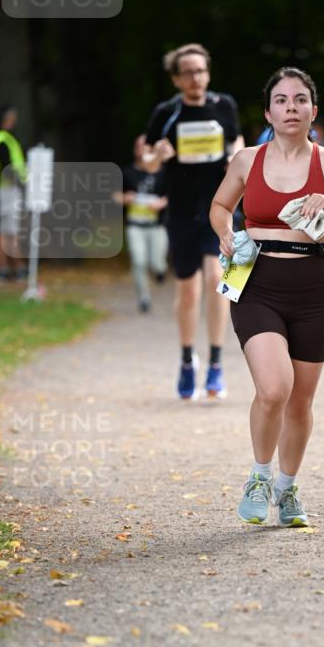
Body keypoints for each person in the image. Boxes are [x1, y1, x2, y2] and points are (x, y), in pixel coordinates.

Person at [210, 66, 324, 527]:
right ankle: (259, 478)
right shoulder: (247, 160)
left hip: (314, 291)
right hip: (256, 283)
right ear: (268, 113)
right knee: (274, 389)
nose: (291, 108)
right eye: (281, 101)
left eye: (300, 99)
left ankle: (287, 488)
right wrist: (225, 231)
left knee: (300, 403)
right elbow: (220, 205)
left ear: (313, 110)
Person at [144, 43, 244, 399]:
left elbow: (237, 140)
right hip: (181, 211)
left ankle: (217, 363)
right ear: (176, 79)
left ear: (208, 73)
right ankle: (187, 360)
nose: (195, 78)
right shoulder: (166, 113)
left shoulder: (224, 105)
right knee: (188, 290)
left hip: (221, 208)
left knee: (219, 279)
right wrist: (158, 155)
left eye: (200, 71)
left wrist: (235, 157)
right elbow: (148, 161)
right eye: (187, 73)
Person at [113, 135, 168, 313]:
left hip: (157, 225)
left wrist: (162, 203)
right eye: (139, 146)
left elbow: (174, 195)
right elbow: (115, 196)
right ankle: (144, 298)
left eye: (146, 146)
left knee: (157, 263)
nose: (142, 149)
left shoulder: (164, 173)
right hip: (135, 225)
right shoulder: (127, 172)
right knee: (138, 261)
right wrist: (125, 198)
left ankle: (160, 271)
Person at [0, 104, 28, 283]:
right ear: (8, 118)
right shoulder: (2, 140)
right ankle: (10, 269)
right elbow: (7, 167)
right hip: (6, 189)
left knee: (5, 229)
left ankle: (11, 268)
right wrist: (23, 184)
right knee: (6, 230)